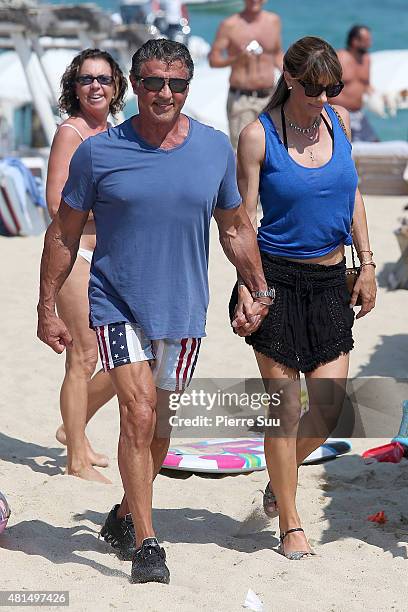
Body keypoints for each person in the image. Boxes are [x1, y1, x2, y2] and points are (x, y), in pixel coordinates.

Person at [37, 38, 271, 584]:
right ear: (134, 86)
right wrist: (46, 304)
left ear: (188, 87)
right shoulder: (98, 151)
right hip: (116, 300)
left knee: (160, 426)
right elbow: (64, 232)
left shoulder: (215, 148)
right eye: (153, 82)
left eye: (177, 83)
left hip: (184, 307)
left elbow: (235, 227)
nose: (165, 93)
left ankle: (123, 513)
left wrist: (256, 288)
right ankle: (148, 543)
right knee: (137, 415)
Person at [231, 36, 377, 560]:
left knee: (331, 407)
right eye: (315, 88)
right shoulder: (257, 136)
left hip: (331, 279)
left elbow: (352, 191)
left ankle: (280, 477)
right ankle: (290, 523)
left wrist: (367, 263)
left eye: (332, 88)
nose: (324, 97)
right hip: (276, 281)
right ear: (289, 79)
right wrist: (251, 286)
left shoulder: (339, 123)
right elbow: (242, 220)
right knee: (284, 409)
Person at [46, 50, 127, 484]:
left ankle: (71, 428)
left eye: (104, 79)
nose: (96, 86)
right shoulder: (71, 133)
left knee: (127, 355)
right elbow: (56, 204)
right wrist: (113, 214)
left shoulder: (111, 131)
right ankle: (75, 456)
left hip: (108, 256)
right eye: (87, 79)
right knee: (83, 355)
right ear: (74, 87)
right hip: (75, 254)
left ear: (116, 87)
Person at [208, 0, 283, 150]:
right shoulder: (230, 25)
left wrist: (292, 76)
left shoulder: (273, 21)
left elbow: (276, 54)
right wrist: (236, 59)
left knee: (272, 147)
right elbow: (213, 60)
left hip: (270, 97)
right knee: (242, 150)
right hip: (242, 99)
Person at [331, 25, 378, 142]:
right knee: (346, 148)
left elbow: (365, 84)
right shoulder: (339, 58)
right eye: (366, 40)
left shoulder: (366, 59)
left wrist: (382, 97)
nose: (370, 43)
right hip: (339, 113)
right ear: (354, 41)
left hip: (359, 114)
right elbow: (326, 87)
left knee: (375, 144)